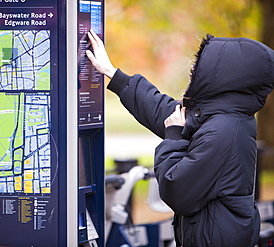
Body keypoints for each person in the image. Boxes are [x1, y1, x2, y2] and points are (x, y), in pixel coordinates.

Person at [86, 29, 274, 247]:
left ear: (224, 76)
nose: (193, 67)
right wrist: (113, 74)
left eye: (202, 64)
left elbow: (176, 189)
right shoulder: (220, 116)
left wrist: (173, 137)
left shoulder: (223, 131)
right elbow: (161, 110)